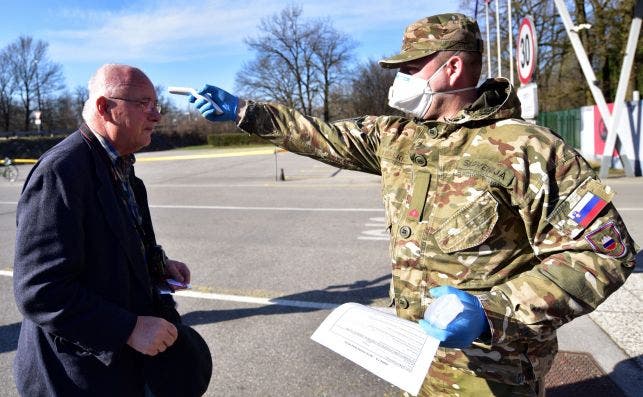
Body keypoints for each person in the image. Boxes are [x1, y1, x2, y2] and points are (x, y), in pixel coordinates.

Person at [188, 12, 638, 397]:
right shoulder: (398, 137)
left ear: (454, 67)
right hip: (412, 358)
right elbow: (320, 135)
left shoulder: (527, 149)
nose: (400, 80)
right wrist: (246, 112)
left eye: (412, 68)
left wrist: (492, 309)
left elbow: (602, 254)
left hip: (491, 373)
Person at [13, 64, 192, 396]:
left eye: (157, 104)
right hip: (73, 377)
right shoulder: (61, 172)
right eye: (145, 103)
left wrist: (156, 263)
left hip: (121, 371)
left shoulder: (124, 169)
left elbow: (119, 243)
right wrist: (128, 328)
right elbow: (39, 290)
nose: (157, 115)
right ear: (104, 107)